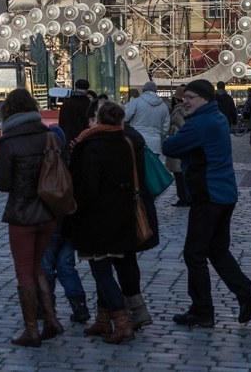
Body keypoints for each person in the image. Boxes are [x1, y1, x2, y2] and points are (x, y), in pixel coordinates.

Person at [162, 79, 251, 328]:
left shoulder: (200, 123)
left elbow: (170, 146)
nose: (185, 101)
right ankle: (247, 295)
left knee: (194, 254)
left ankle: (202, 310)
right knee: (217, 250)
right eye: (185, 97)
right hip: (224, 194)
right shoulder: (216, 117)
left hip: (208, 196)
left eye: (191, 98)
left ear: (205, 99)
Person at [68, 101, 148, 344]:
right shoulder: (126, 142)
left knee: (101, 270)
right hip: (121, 215)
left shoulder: (91, 146)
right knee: (112, 266)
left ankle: (121, 323)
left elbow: (87, 188)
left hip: (97, 218)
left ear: (99, 120)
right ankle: (103, 320)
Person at [0, 88, 63, 347]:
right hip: (48, 212)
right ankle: (52, 320)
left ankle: (31, 329)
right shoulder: (50, 137)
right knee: (39, 267)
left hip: (22, 214)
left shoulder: (9, 143)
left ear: (8, 111)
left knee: (24, 271)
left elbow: (2, 184)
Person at [41, 128, 91, 325]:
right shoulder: (75, 161)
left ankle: (45, 307)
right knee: (66, 266)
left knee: (46, 266)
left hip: (51, 222)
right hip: (72, 223)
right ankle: (79, 307)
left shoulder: (47, 165)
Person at [123, 81, 170, 156]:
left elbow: (124, 117)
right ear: (155, 91)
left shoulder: (135, 102)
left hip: (137, 140)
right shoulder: (163, 106)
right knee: (152, 166)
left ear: (143, 90)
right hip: (155, 144)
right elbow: (166, 127)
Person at [165, 85, 191, 207]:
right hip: (186, 148)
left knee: (180, 175)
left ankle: (183, 198)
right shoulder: (188, 109)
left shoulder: (179, 110)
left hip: (179, 148)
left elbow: (178, 129)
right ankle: (185, 197)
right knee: (183, 175)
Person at [58, 78, 92, 145]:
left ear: (75, 88)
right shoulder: (89, 105)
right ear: (87, 90)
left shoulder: (66, 104)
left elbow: (61, 123)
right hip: (85, 140)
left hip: (68, 140)